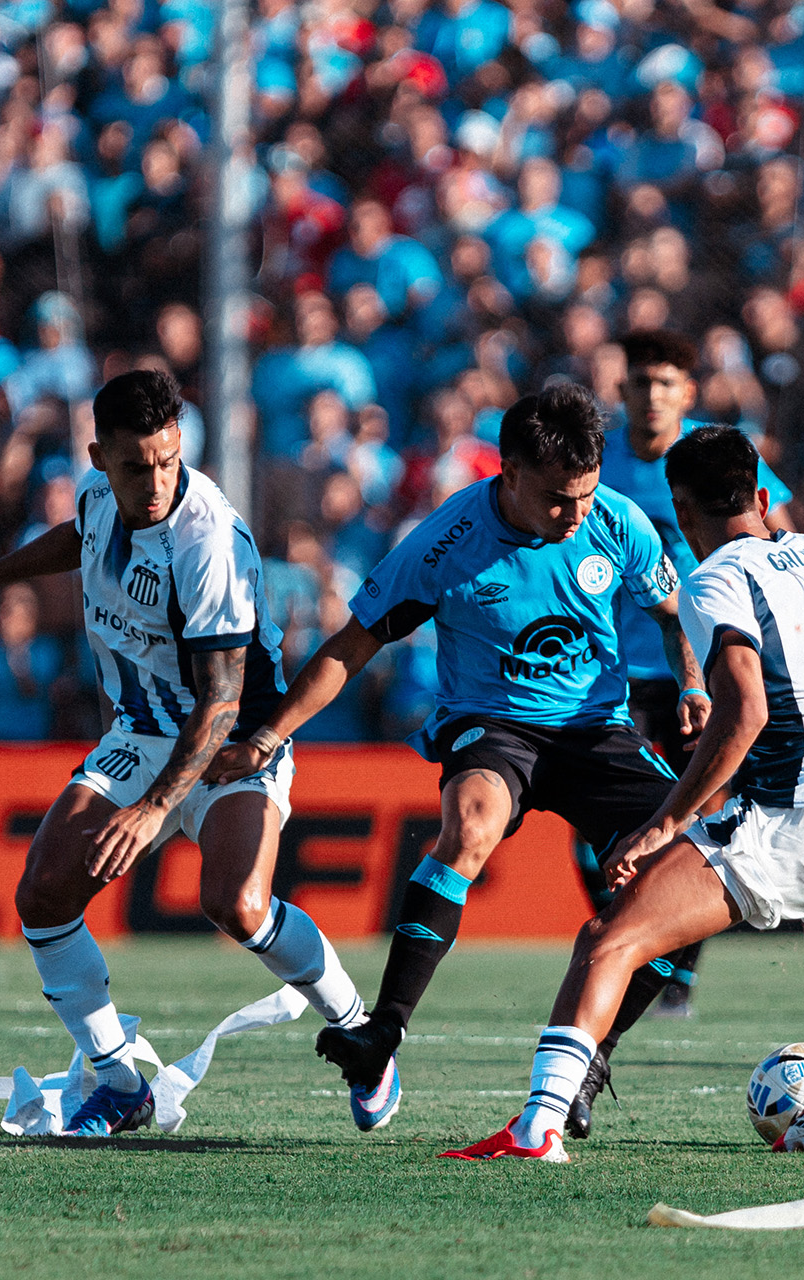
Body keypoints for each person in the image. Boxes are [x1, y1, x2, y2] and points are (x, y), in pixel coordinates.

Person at [209, 383, 710, 1135]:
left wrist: (694, 682)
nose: (574, 515)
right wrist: (266, 736)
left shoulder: (617, 521)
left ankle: (587, 1056)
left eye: (584, 494)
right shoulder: (446, 543)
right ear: (506, 471)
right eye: (556, 499)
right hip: (493, 725)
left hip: (598, 729)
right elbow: (353, 647)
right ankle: (385, 1031)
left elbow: (675, 618)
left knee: (692, 871)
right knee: (470, 827)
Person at [443, 431, 804, 1163]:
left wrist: (664, 824)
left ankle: (537, 1128)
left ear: (681, 515)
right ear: (764, 497)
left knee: (608, 941)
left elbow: (743, 713)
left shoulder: (716, 578)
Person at [0, 370, 368, 1137]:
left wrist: (155, 812)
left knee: (237, 906)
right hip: (141, 732)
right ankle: (118, 1080)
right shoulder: (98, 496)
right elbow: (77, 537)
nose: (153, 482)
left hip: (236, 744)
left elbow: (219, 700)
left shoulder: (205, 539)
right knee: (43, 895)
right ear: (99, 458)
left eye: (166, 461)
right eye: (133, 466)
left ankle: (358, 1029)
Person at [595, 328, 798, 1035]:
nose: (650, 396)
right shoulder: (598, 464)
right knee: (599, 822)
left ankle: (676, 965)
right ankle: (633, 935)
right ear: (620, 392)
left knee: (699, 809)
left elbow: (780, 538)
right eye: (638, 383)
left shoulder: (718, 462)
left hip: (705, 669)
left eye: (664, 383)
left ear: (687, 392)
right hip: (608, 670)